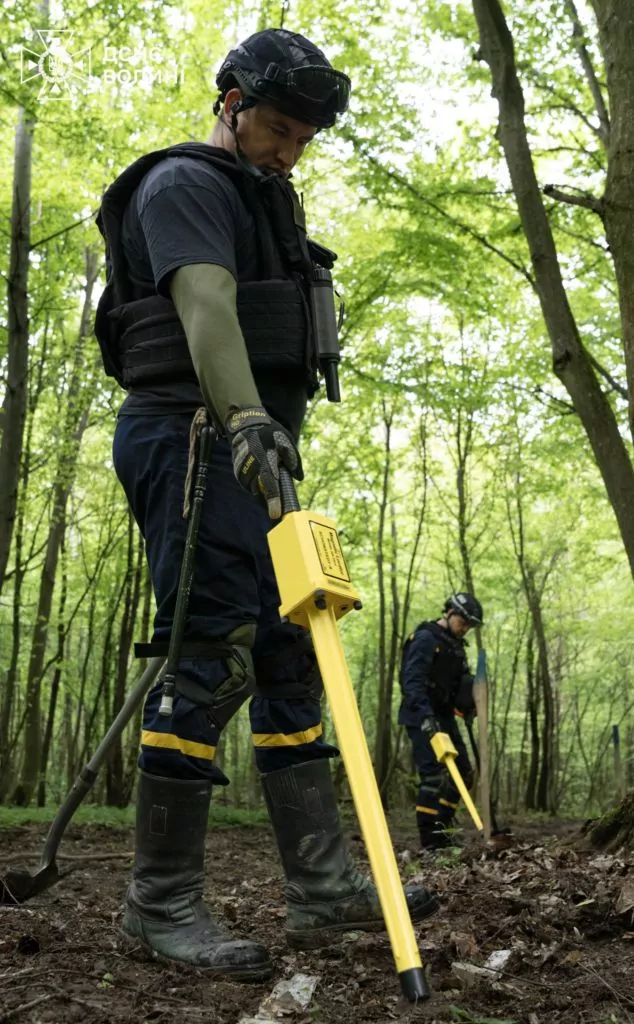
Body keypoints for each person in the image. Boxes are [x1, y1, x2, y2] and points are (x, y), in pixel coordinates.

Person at [94, 28, 437, 983]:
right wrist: (243, 418)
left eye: (303, 138)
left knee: (291, 648)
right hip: (195, 436)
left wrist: (264, 435)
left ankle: (323, 887)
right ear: (234, 103)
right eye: (279, 128)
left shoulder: (265, 196)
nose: (290, 150)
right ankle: (157, 904)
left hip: (259, 451)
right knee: (206, 650)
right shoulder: (185, 185)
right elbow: (204, 302)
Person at [398, 592, 483, 850]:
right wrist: (425, 718)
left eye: (470, 625)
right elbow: (411, 682)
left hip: (445, 717)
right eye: (463, 622)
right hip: (421, 715)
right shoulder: (425, 638)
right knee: (434, 777)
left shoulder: (456, 647)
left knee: (464, 773)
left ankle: (443, 829)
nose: (465, 628)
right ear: (450, 612)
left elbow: (459, 685)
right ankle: (430, 841)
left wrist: (466, 706)